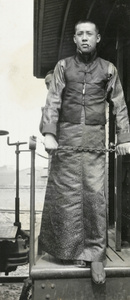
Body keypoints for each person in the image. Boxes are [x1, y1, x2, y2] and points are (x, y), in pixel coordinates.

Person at [39, 20, 130, 284]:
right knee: (65, 194)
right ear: (75, 40)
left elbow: (119, 105)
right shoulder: (63, 67)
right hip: (65, 138)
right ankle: (66, 252)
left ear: (98, 38)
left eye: (89, 34)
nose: (85, 38)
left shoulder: (108, 69)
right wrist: (49, 133)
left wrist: (124, 137)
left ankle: (95, 257)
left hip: (94, 138)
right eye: (80, 34)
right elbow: (53, 99)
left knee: (93, 194)